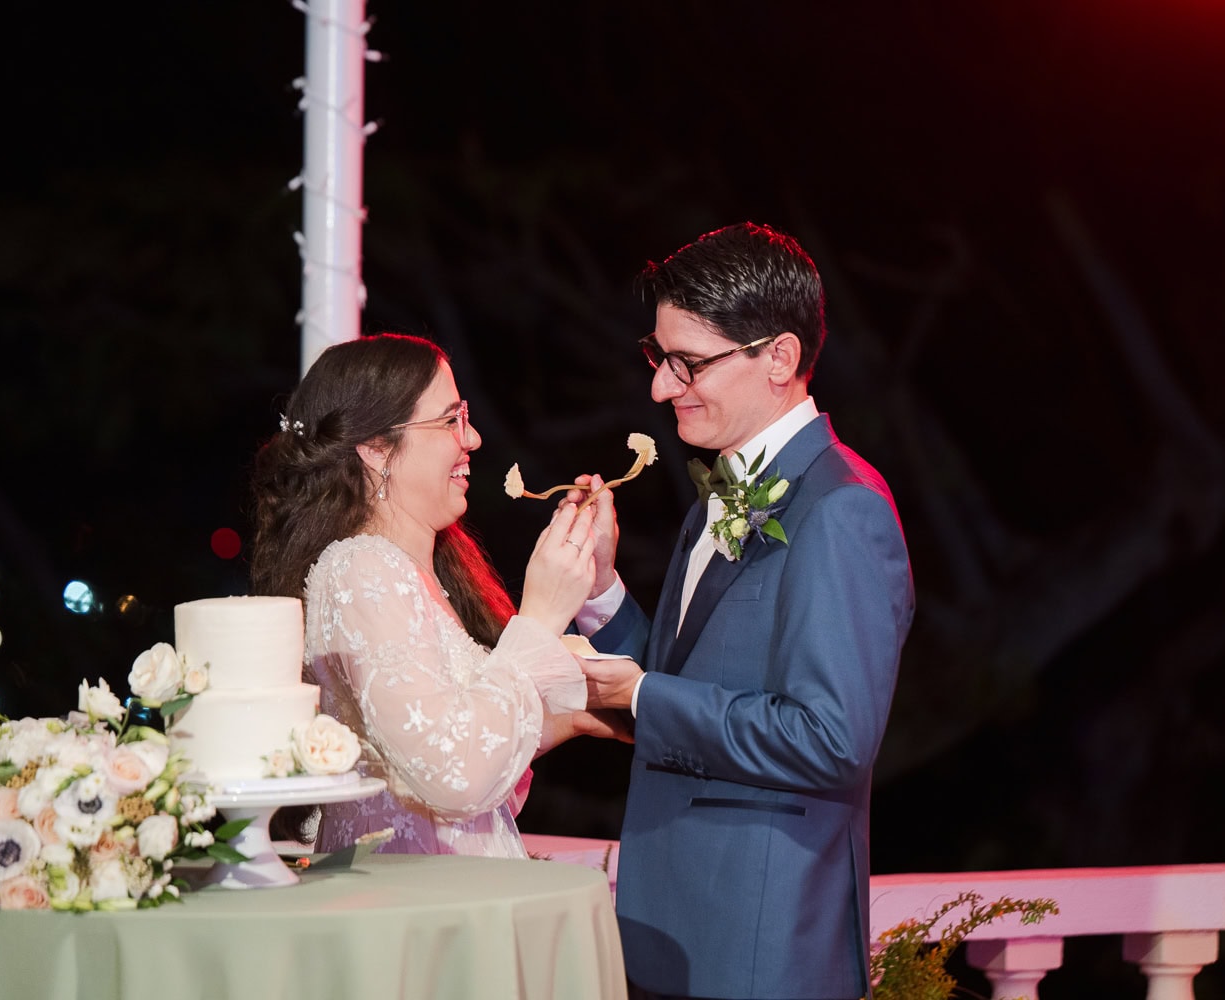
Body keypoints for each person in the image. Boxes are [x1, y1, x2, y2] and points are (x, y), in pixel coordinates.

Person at [572, 223, 915, 999]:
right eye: (658, 358)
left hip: (759, 949)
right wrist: (601, 592)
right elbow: (685, 680)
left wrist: (639, 695)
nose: (662, 386)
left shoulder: (841, 511)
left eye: (688, 362)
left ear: (780, 358)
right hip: (675, 932)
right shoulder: (720, 495)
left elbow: (831, 740)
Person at [249, 332, 626, 858]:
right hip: (420, 903)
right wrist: (541, 616)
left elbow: (445, 739)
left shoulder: (421, 573)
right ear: (377, 449)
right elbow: (456, 775)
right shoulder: (363, 569)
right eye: (451, 420)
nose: (471, 440)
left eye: (465, 416)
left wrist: (583, 713)